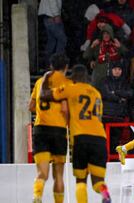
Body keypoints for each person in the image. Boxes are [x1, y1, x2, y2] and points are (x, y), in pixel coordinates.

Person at [39, 65, 111, 203]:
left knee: (81, 180)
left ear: (74, 77)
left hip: (81, 137)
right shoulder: (96, 93)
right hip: (100, 138)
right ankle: (105, 193)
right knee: (98, 181)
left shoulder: (71, 89)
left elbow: (44, 95)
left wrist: (45, 79)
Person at [29, 53, 72, 203]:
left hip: (40, 130)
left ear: (51, 66)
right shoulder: (66, 84)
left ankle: (37, 195)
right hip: (58, 131)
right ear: (66, 68)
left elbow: (31, 106)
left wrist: (44, 111)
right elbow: (66, 110)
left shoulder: (40, 82)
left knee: (42, 173)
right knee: (58, 175)